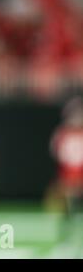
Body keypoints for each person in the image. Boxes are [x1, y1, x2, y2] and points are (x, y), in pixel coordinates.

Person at [48, 96, 83, 255]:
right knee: (67, 211)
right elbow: (58, 155)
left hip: (74, 178)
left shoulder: (62, 133)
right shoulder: (62, 133)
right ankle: (66, 238)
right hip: (68, 178)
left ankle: (67, 238)